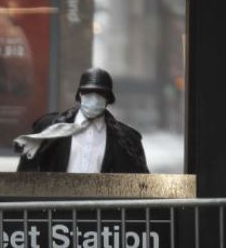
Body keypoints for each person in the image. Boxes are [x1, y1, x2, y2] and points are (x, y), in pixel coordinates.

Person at [15, 68, 149, 173]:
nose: (94, 97)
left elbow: (141, 186)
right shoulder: (48, 128)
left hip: (103, 207)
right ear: (80, 94)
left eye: (100, 93)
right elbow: (26, 177)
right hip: (56, 207)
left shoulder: (127, 140)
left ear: (108, 98)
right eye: (88, 91)